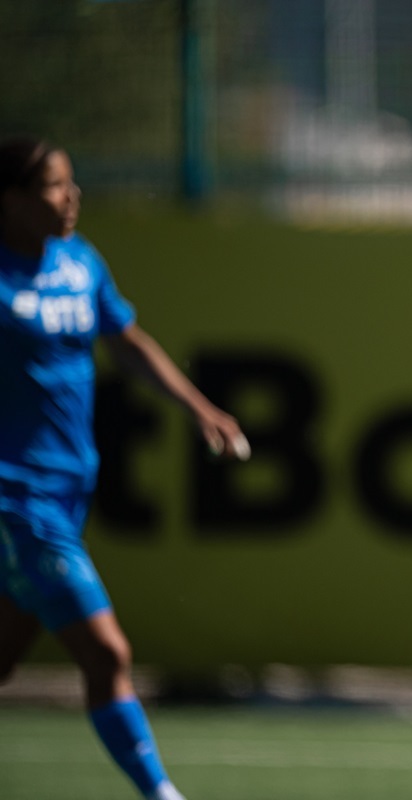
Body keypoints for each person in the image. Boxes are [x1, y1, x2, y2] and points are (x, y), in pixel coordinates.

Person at [0, 137, 251, 800]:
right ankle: (162, 794)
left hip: (69, 490)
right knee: (107, 652)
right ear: (11, 201)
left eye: (72, 182)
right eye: (54, 186)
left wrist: (199, 407)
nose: (71, 197)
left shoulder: (78, 261)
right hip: (16, 500)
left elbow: (127, 343)